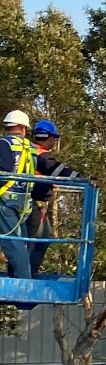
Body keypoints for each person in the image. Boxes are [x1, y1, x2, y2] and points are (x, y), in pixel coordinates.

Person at [25, 119, 67, 277]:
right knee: (32, 240)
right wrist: (85, 179)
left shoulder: (29, 150)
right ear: (50, 138)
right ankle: (25, 274)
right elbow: (59, 172)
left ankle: (28, 272)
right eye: (54, 140)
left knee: (41, 238)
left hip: (33, 202)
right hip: (33, 203)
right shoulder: (41, 155)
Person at [0, 111, 36, 282]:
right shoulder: (31, 147)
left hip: (5, 199)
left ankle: (24, 283)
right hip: (23, 201)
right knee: (20, 242)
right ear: (22, 128)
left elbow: (3, 171)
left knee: (13, 244)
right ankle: (18, 276)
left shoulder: (5, 144)